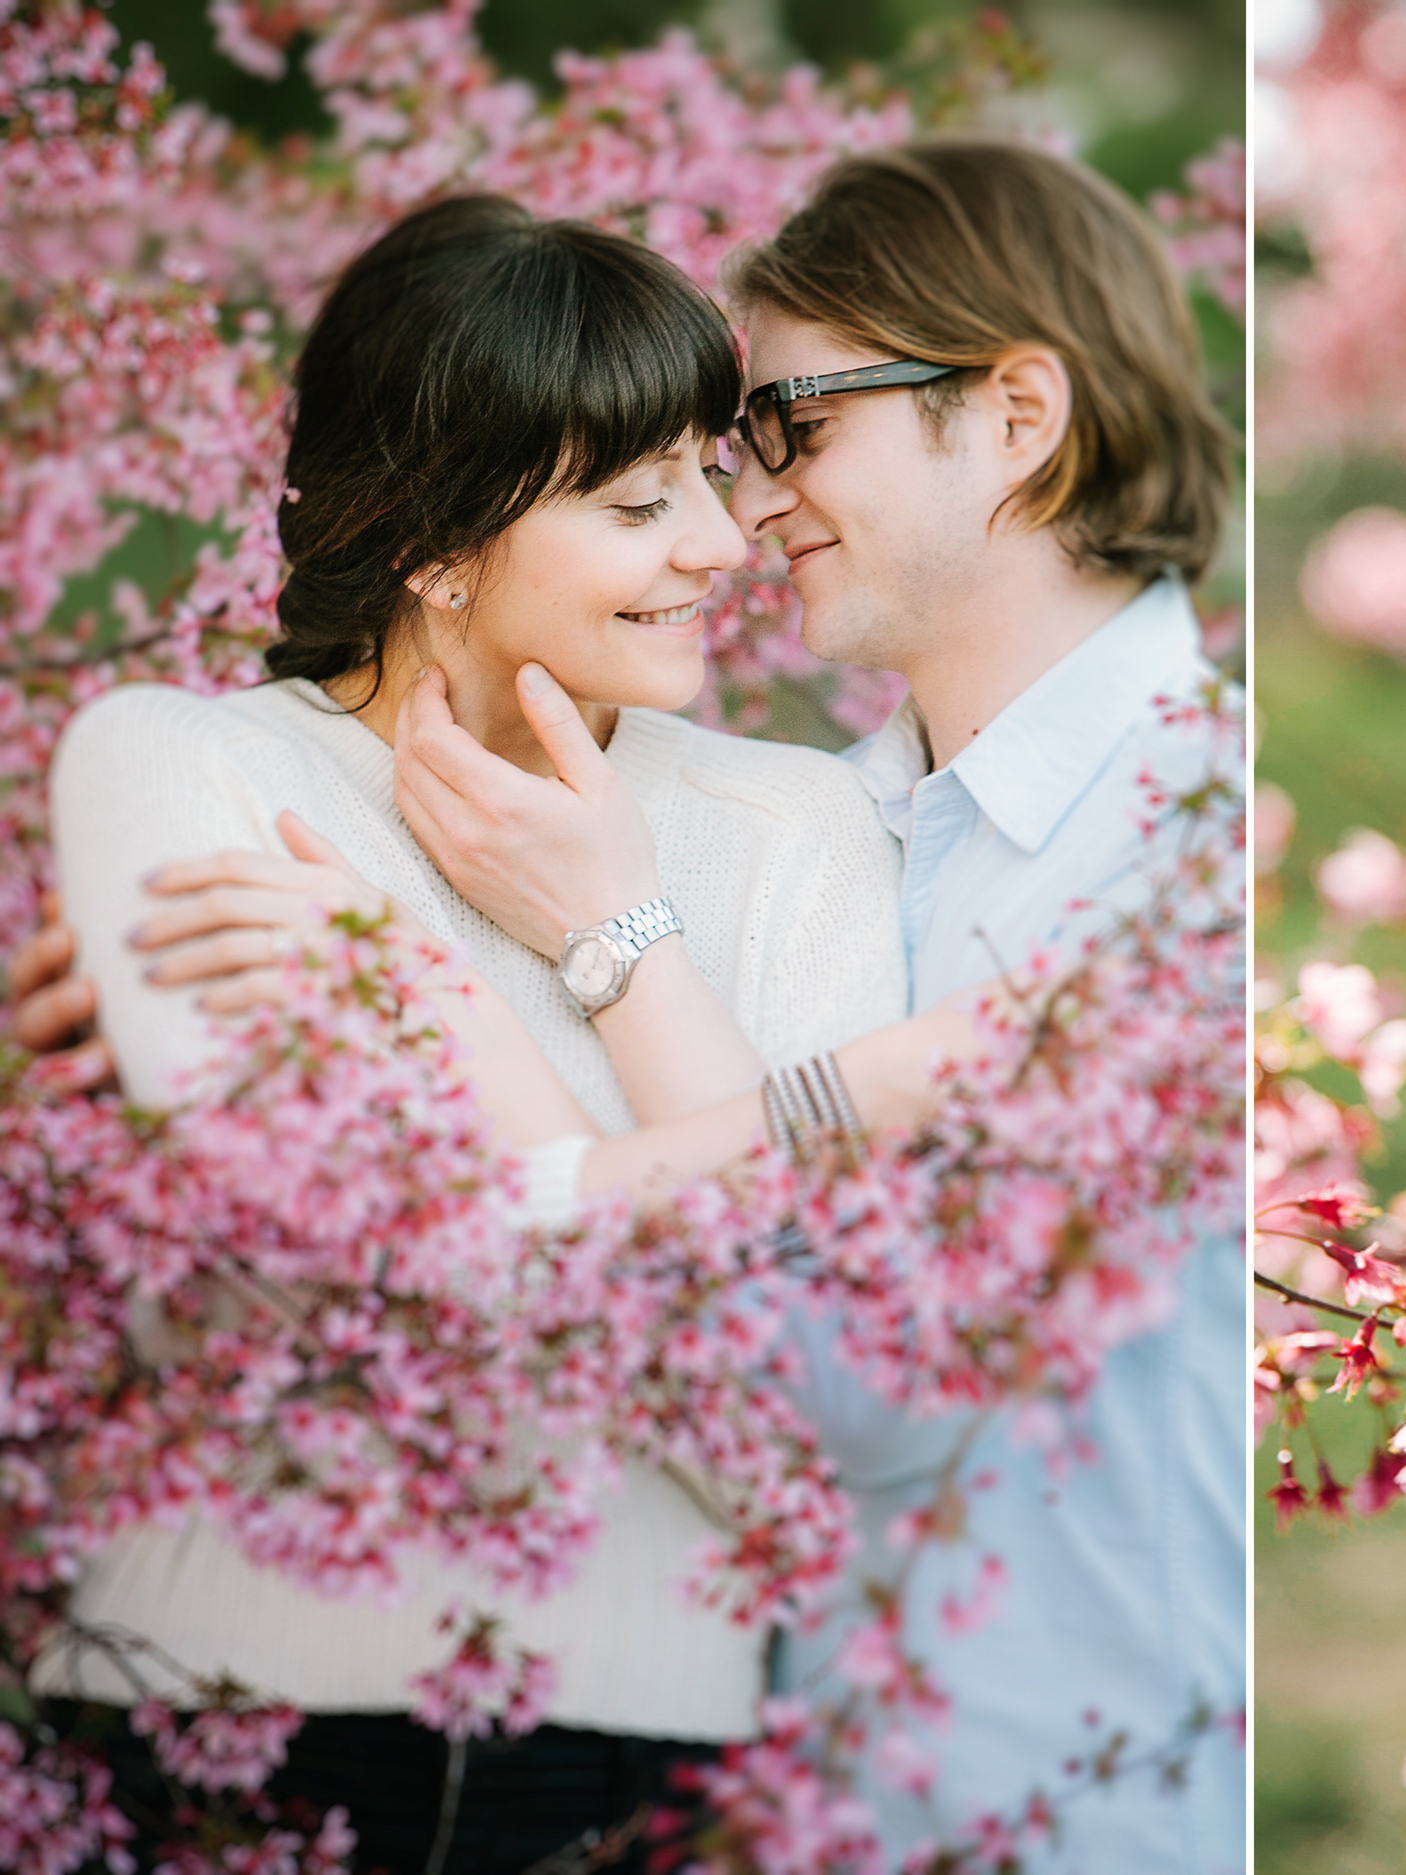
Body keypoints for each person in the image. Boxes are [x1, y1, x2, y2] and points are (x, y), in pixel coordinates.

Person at [16, 139, 1249, 1868]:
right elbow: (320, 1289)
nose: (733, 531)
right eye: (645, 493)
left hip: (661, 1763)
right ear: (444, 540)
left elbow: (820, 1441)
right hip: (227, 1707)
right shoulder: (181, 768)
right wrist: (833, 1100)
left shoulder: (809, 824)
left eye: (750, 449)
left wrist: (490, 996)